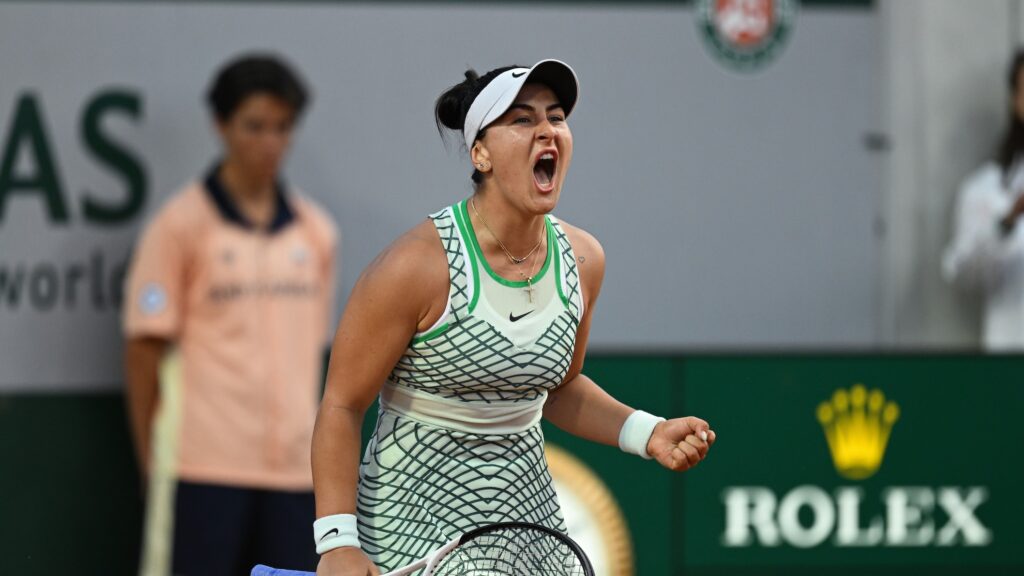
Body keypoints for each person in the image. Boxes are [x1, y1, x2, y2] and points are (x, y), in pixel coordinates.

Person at [310, 59, 715, 576]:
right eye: (522, 120)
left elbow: (559, 387)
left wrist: (646, 432)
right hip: (408, 515)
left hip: (527, 519)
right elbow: (342, 405)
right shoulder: (415, 266)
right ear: (480, 153)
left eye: (557, 117)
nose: (547, 130)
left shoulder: (584, 260)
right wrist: (338, 542)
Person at [122, 54, 338, 574]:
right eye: (254, 126)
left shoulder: (316, 232)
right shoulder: (179, 227)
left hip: (293, 475)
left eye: (282, 127)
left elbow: (316, 358)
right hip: (204, 470)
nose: (270, 142)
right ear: (221, 126)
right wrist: (154, 465)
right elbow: (144, 349)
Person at [944, 49, 1024, 350]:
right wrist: (1006, 223)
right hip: (1013, 365)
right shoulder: (986, 190)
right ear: (1015, 100)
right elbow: (962, 271)